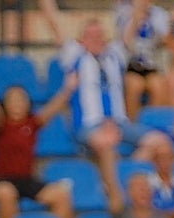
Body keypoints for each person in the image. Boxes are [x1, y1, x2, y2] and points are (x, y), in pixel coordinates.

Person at [39, 0, 140, 173]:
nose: (96, 39)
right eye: (91, 35)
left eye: (100, 35)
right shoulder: (74, 54)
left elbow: (136, 20)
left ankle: (125, 178)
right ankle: (116, 191)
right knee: (107, 147)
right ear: (82, 39)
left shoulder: (115, 54)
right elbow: (53, 21)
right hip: (90, 125)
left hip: (119, 123)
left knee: (159, 144)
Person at [0, 76, 77, 218]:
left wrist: (68, 89)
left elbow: (52, 109)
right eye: (12, 99)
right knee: (7, 193)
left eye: (21, 99)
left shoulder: (32, 124)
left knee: (61, 195)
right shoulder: (0, 124)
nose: (17, 103)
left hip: (26, 181)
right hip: (0, 180)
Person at [117, 0, 174, 120]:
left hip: (151, 65)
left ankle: (152, 125)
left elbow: (165, 39)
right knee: (134, 86)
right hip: (131, 66)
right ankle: (133, 125)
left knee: (158, 85)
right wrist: (136, 18)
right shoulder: (124, 12)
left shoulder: (159, 14)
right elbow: (126, 42)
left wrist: (171, 21)